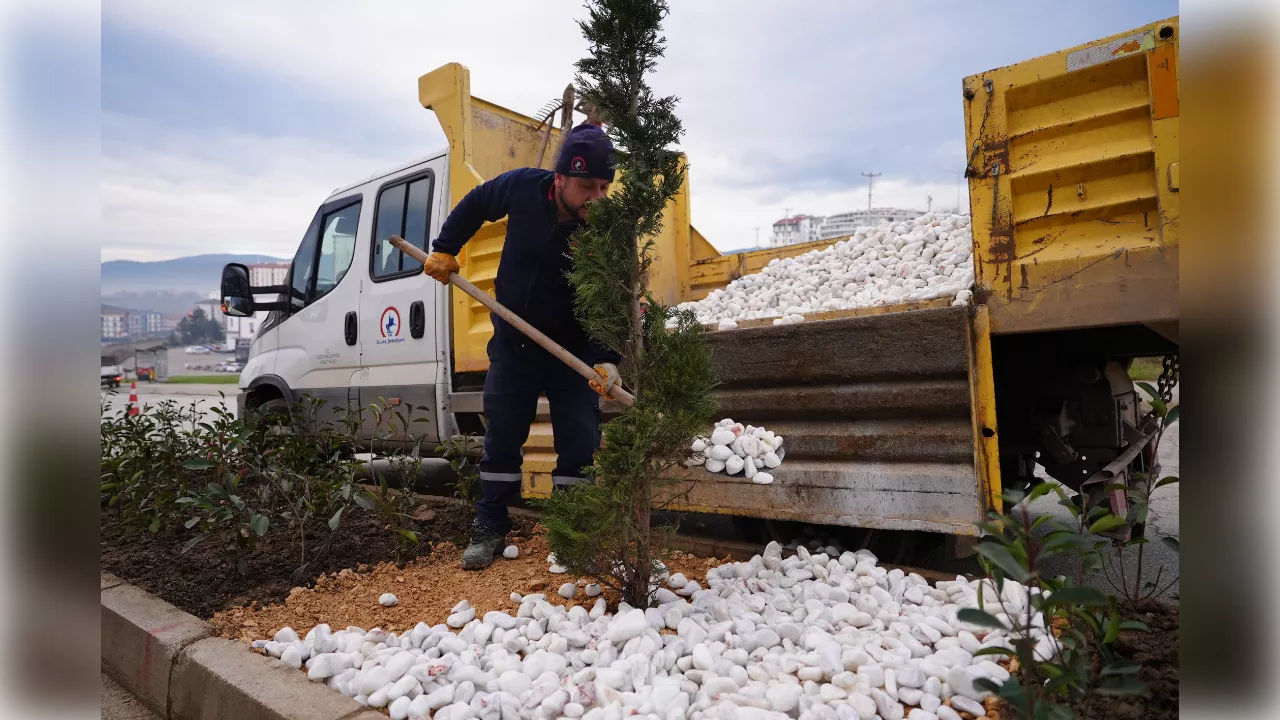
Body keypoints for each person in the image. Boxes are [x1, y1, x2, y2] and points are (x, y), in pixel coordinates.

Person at [422, 123, 623, 570]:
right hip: (514, 348)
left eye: (604, 187)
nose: (597, 198)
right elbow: (476, 204)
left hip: (572, 357)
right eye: (586, 186)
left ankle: (572, 537)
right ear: (559, 179)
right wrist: (445, 248)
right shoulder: (522, 187)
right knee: (502, 443)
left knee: (579, 448)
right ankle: (489, 527)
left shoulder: (606, 231)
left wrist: (607, 357)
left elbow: (612, 300)